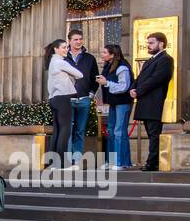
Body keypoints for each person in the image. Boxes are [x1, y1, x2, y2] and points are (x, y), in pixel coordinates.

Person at [130, 32, 174, 172]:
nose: (148, 45)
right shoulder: (150, 60)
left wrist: (139, 91)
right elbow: (141, 77)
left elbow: (156, 79)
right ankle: (153, 161)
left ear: (161, 44)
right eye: (148, 42)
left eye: (151, 43)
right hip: (145, 100)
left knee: (154, 133)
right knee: (150, 133)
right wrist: (133, 88)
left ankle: (152, 162)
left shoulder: (166, 59)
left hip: (154, 101)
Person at [95, 44, 133, 171]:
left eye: (105, 52)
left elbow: (124, 86)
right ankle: (111, 161)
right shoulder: (108, 66)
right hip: (113, 103)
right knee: (111, 130)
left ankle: (121, 162)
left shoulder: (122, 67)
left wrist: (107, 83)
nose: (102, 54)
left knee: (119, 131)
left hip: (123, 103)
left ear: (112, 55)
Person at [45, 39, 81, 171]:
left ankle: (54, 163)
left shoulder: (52, 62)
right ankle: (62, 164)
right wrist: (70, 76)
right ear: (56, 49)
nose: (66, 50)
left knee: (58, 131)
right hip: (63, 98)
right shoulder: (60, 62)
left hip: (54, 99)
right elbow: (79, 74)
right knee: (65, 131)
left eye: (67, 47)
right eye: (64, 47)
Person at [66, 29, 99, 165]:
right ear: (69, 41)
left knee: (80, 131)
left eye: (80, 39)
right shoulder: (62, 57)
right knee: (67, 131)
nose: (79, 42)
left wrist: (91, 93)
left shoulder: (89, 58)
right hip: (67, 99)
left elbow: (95, 77)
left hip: (84, 99)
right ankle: (67, 161)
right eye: (75, 39)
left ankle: (77, 160)